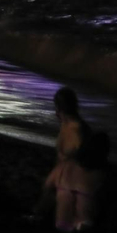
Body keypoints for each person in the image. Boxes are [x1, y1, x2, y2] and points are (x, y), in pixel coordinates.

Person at [33, 86, 93, 221]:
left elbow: (83, 159)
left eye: (57, 108)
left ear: (61, 108)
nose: (55, 113)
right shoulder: (67, 124)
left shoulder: (77, 129)